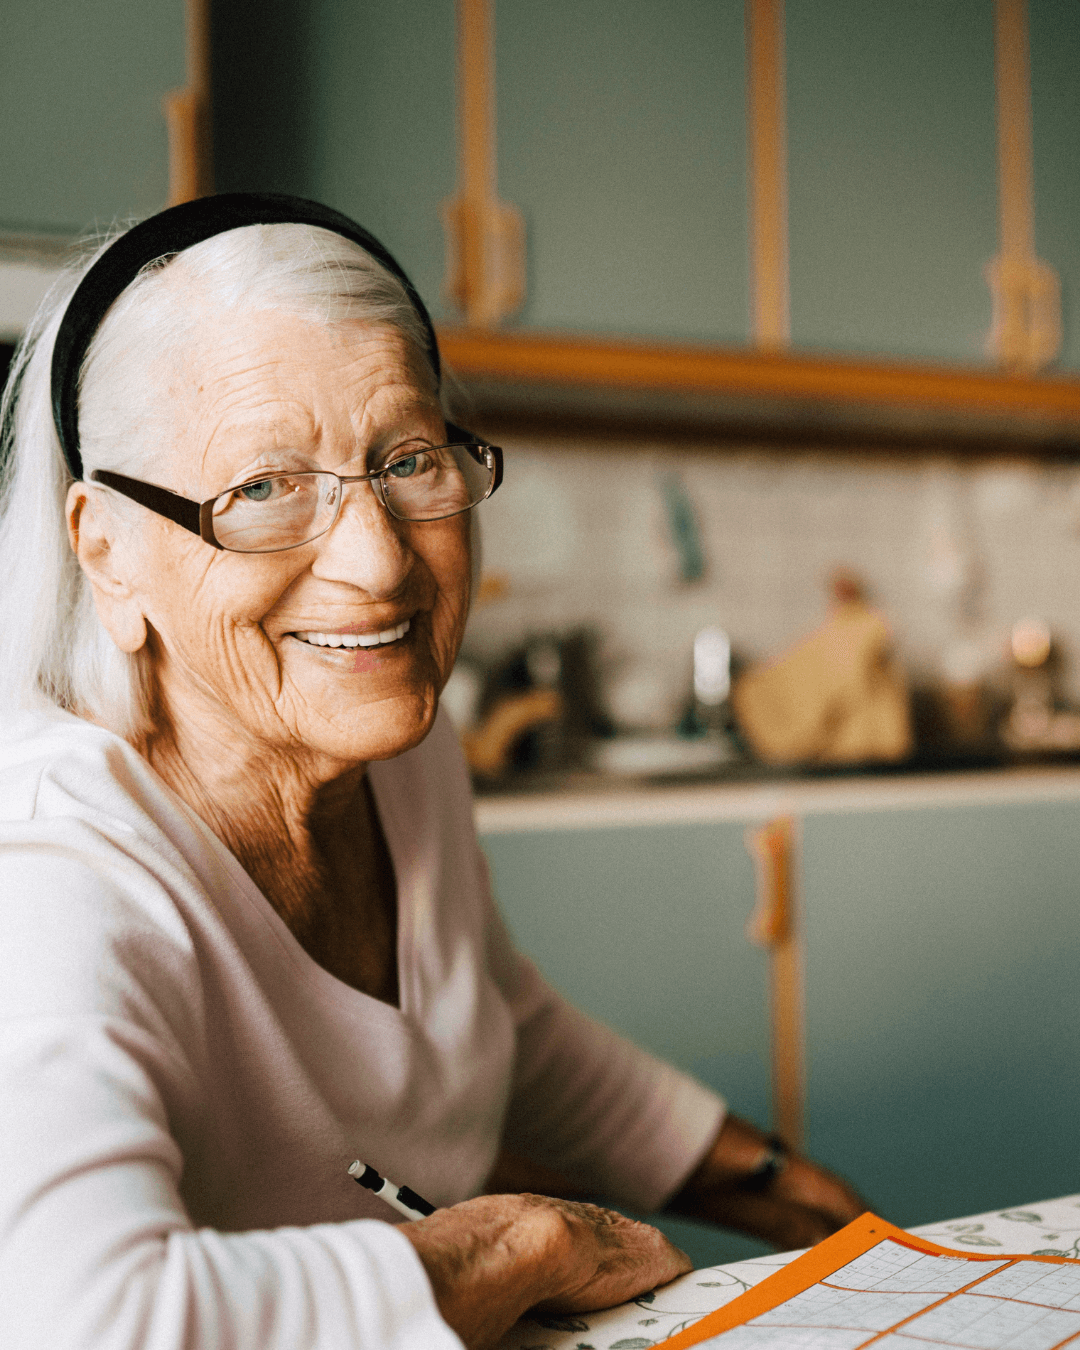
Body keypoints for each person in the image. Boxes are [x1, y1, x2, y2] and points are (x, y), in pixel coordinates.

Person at [0, 193, 863, 1350]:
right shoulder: (50, 869)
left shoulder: (396, 750)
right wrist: (519, 1244)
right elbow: (83, 1323)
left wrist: (797, 1194)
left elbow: (497, 1021)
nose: (378, 563)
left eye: (407, 459)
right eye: (261, 490)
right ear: (107, 551)